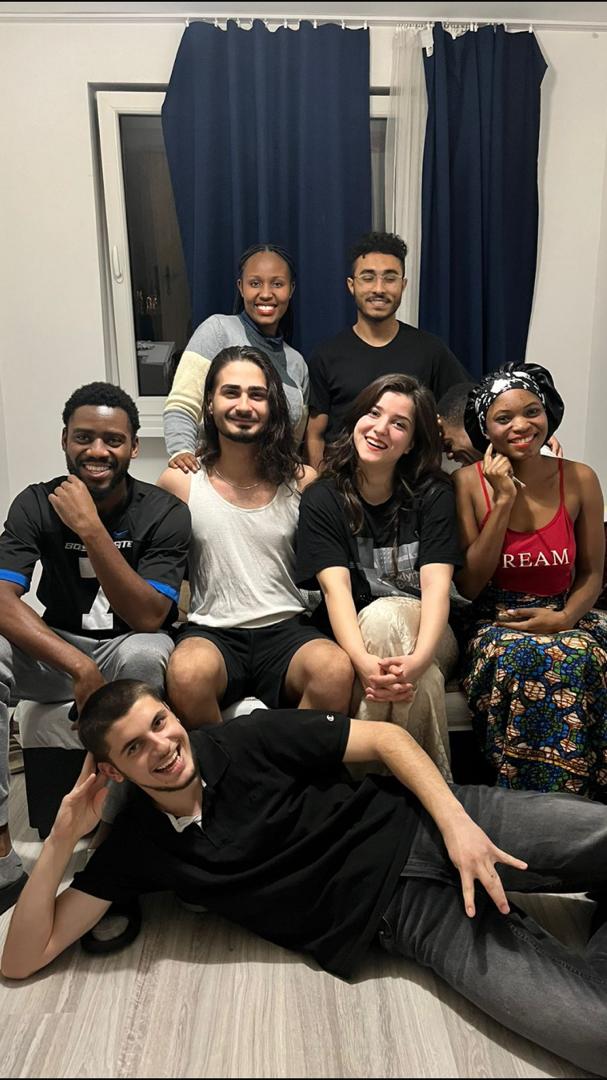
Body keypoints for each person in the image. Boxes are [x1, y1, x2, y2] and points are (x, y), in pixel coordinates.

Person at [3, 678, 607, 1077]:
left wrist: (457, 826)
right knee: (596, 1036)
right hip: (407, 916)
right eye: (135, 748)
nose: (162, 746)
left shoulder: (246, 738)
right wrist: (61, 839)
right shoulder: (138, 844)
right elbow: (22, 958)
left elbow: (387, 738)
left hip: (431, 822)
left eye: (160, 722)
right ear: (112, 771)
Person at [0, 382, 191, 924]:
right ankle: (1, 851)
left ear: (134, 447)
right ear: (64, 440)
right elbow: (2, 600)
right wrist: (79, 666)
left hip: (127, 644)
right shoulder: (35, 502)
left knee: (147, 655)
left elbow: (150, 616)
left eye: (113, 440)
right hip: (60, 650)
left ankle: (116, 833)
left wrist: (89, 527)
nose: (97, 450)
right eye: (84, 437)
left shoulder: (164, 511)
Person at [158, 345, 353, 727]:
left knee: (333, 670)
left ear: (272, 405)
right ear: (209, 403)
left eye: (257, 394)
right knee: (187, 673)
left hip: (287, 630)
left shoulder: (303, 482)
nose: (244, 406)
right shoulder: (180, 482)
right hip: (212, 633)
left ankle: (288, 764)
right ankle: (223, 765)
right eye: (231, 392)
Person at [454, 362, 607, 797]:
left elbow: (593, 572)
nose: (521, 426)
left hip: (566, 613)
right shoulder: (466, 483)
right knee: (531, 657)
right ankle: (529, 801)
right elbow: (469, 585)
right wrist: (503, 500)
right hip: (497, 620)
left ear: (548, 414)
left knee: (582, 652)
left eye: (532, 412)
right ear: (485, 428)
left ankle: (586, 802)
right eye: (503, 418)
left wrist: (564, 619)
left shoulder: (580, 478)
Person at [297, 375, 460, 779]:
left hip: (430, 634)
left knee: (389, 622)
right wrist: (365, 664)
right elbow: (336, 592)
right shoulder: (323, 497)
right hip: (358, 637)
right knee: (424, 683)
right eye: (373, 413)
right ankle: (425, 795)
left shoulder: (434, 495)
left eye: (399, 424)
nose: (380, 428)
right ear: (357, 418)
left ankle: (366, 793)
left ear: (413, 443)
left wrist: (420, 660)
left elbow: (436, 589)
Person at [305, 232, 469, 468]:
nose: (379, 288)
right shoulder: (326, 356)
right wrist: (321, 483)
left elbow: (464, 407)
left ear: (403, 285)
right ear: (351, 285)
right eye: (368, 278)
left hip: (413, 484)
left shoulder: (430, 350)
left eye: (390, 278)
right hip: (343, 483)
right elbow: (315, 435)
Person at [163, 243, 308, 470]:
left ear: (291, 289)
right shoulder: (217, 331)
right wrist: (182, 452)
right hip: (216, 476)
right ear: (241, 287)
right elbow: (182, 403)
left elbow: (294, 440)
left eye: (277, 284)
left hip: (274, 480)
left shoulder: (297, 363)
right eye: (255, 283)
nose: (266, 294)